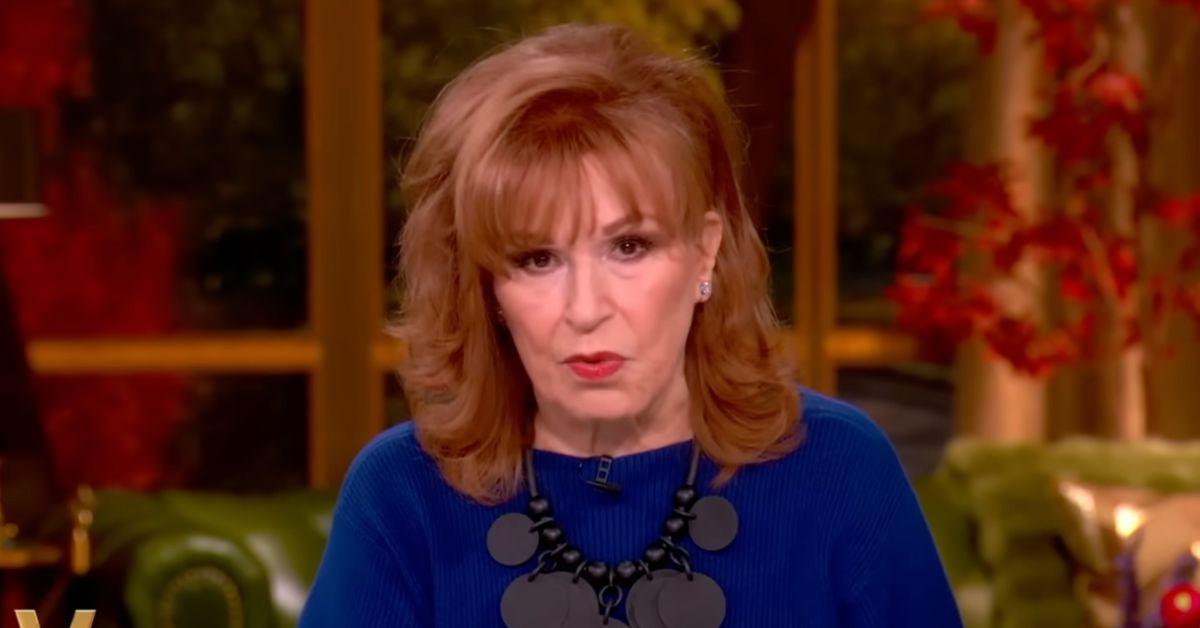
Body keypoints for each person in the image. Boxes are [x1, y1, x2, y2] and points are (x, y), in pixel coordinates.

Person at [298, 21, 962, 628]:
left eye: (629, 246)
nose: (587, 309)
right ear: (487, 285)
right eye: (536, 258)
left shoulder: (839, 468)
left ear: (704, 252)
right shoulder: (402, 494)